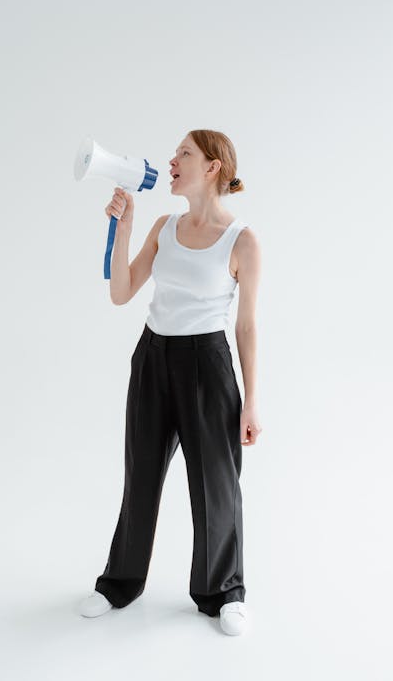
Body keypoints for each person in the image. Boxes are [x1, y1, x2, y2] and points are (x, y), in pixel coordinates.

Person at [77, 129, 262, 636]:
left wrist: (250, 403)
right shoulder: (163, 225)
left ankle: (223, 592)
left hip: (208, 364)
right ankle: (120, 583)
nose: (172, 160)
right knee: (140, 478)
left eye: (184, 153)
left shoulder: (241, 240)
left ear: (213, 168)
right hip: (153, 357)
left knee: (216, 485)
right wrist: (125, 227)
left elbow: (245, 326)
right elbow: (121, 292)